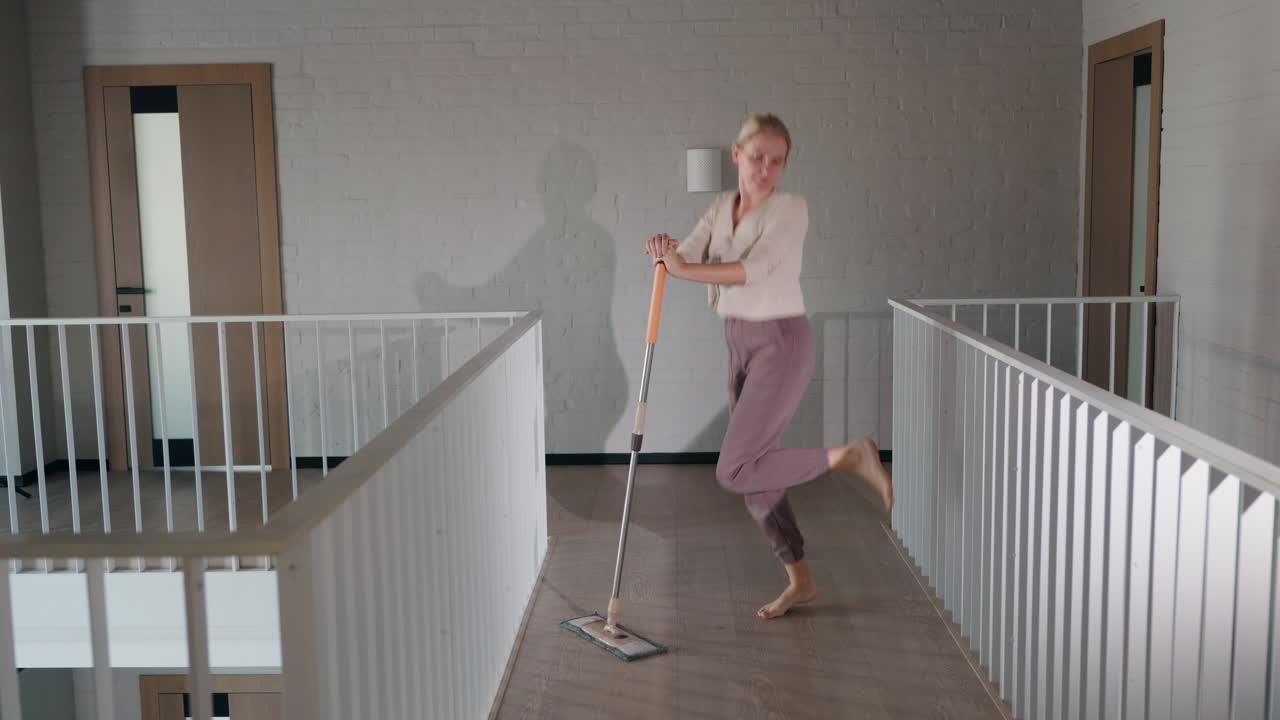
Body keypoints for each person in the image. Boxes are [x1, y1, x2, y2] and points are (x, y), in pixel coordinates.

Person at [645, 113, 894, 620]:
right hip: (738, 341)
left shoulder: (790, 210)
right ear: (736, 155)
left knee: (735, 468)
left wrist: (683, 267)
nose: (765, 169)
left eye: (776, 161)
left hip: (781, 341)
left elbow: (750, 270)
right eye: (756, 157)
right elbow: (686, 253)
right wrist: (663, 248)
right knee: (756, 475)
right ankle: (800, 580)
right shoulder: (720, 208)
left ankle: (848, 457)